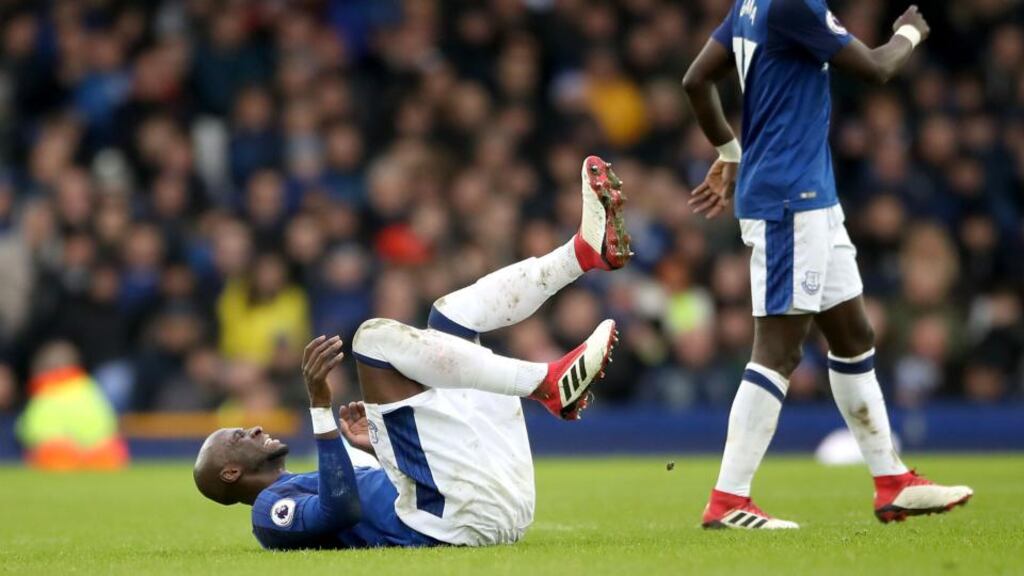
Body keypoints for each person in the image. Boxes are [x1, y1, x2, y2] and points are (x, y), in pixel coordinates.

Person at [193, 157, 630, 549]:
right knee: (371, 340)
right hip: (453, 520)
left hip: (488, 501)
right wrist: (320, 406)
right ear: (232, 473)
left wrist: (379, 448)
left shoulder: (304, 480)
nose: (250, 429)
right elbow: (339, 511)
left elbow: (361, 500)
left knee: (451, 317)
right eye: (237, 438)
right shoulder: (268, 512)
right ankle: (545, 384)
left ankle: (581, 253)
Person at [682, 2, 972, 529]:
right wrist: (909, 32)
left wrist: (730, 153)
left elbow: (697, 79)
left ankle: (892, 482)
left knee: (853, 334)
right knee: (778, 350)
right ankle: (728, 499)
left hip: (813, 201)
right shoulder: (796, 5)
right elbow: (879, 68)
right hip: (790, 201)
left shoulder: (752, 4)